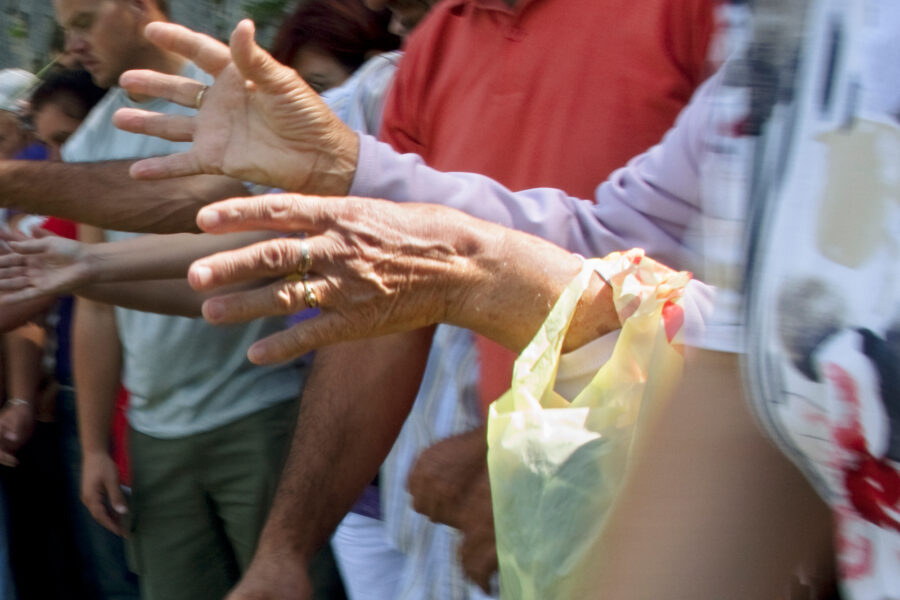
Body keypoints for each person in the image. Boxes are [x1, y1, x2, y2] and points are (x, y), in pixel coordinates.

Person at [106, 16, 842, 598]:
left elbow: (776, 344)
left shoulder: (699, 16)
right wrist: (348, 168)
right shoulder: (799, 41)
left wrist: (482, 276)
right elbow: (610, 239)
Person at [8, 2, 329, 600]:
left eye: (83, 22)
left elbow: (275, 243)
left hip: (260, 410)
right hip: (156, 436)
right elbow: (98, 309)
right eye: (66, 28)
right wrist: (100, 445)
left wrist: (83, 265)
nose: (72, 44)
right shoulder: (94, 141)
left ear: (137, 8)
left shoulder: (239, 93)